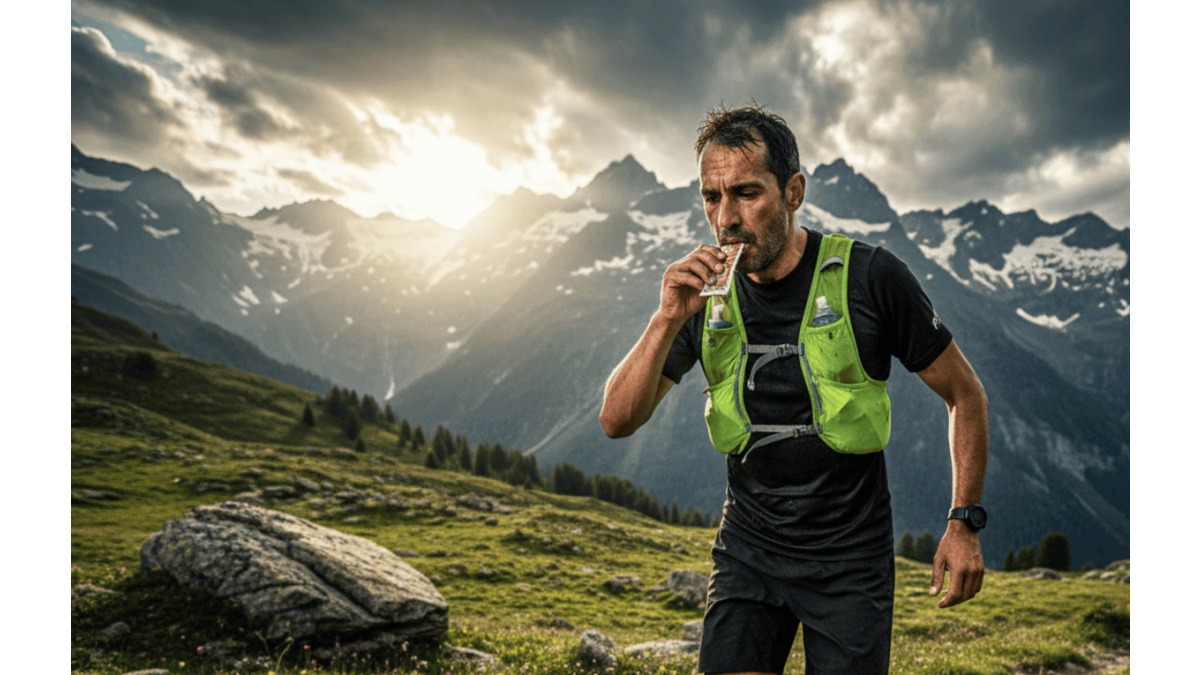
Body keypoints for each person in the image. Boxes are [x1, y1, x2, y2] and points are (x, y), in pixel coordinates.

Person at [599, 105, 989, 675]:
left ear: (793, 192)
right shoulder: (703, 296)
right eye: (711, 197)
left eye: (746, 193)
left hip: (850, 558)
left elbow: (965, 394)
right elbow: (616, 420)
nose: (726, 218)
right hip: (748, 548)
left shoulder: (870, 278)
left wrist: (964, 521)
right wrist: (665, 320)